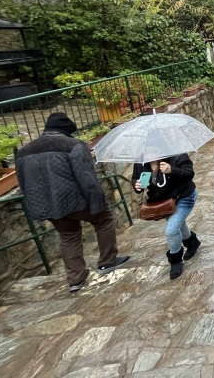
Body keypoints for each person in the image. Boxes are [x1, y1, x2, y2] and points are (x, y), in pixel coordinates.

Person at [15, 112, 129, 292]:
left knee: (68, 235)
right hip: (77, 200)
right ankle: (107, 261)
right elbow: (87, 177)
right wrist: (97, 202)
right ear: (67, 131)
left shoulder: (23, 152)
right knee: (104, 220)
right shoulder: (74, 145)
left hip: (49, 205)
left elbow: (23, 183)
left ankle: (76, 278)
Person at [133, 152, 199, 280]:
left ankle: (175, 260)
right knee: (178, 225)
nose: (150, 151)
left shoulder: (176, 155)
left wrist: (171, 170)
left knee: (171, 230)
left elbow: (189, 174)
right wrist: (138, 186)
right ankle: (192, 242)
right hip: (165, 202)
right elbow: (136, 179)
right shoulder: (141, 161)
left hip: (184, 196)